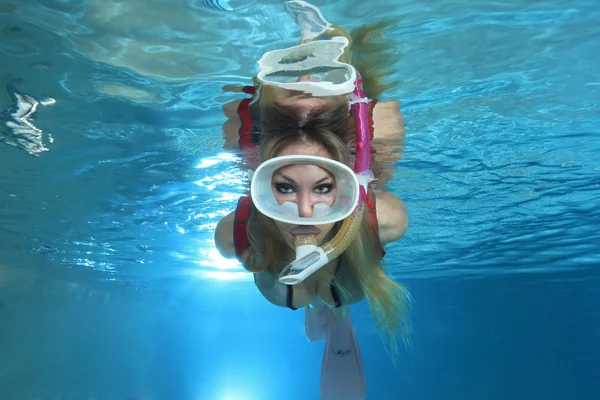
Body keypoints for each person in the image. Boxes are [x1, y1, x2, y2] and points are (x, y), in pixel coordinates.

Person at [214, 2, 409, 399]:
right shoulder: (232, 236)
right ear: (261, 185)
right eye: (284, 187)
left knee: (338, 294)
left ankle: (335, 309)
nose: (305, 212)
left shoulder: (385, 219)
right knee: (299, 294)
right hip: (285, 285)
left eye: (323, 187)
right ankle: (320, 307)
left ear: (348, 183)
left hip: (346, 275)